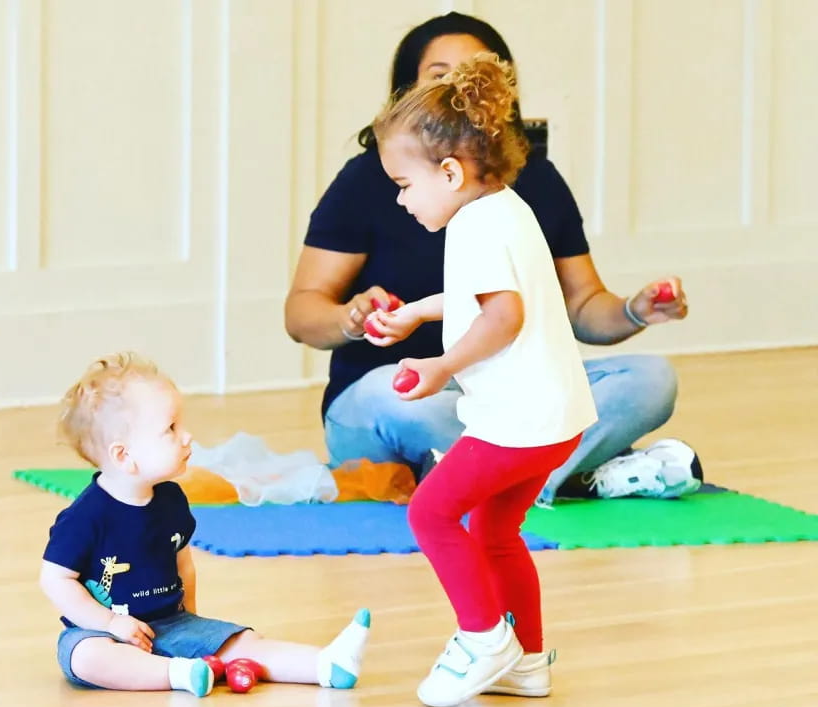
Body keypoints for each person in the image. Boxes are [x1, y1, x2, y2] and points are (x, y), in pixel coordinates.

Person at [284, 11, 703, 506]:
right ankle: (561, 474)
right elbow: (302, 314)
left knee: (650, 379)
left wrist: (636, 310)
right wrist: (351, 317)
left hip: (502, 395)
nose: (456, 92)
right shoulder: (367, 180)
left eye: (471, 78)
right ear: (409, 92)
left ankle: (500, 480)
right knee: (393, 397)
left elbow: (580, 306)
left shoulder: (534, 184)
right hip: (403, 396)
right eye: (440, 77)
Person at [368, 51, 596, 707]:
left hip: (518, 421)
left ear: (449, 171)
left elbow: (503, 314)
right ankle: (525, 660)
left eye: (404, 184)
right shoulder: (502, 208)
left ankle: (482, 636)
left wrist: (441, 366)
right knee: (495, 533)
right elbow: (480, 295)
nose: (401, 198)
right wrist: (414, 313)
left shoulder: (474, 225)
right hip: (552, 417)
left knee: (430, 510)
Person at [39, 352, 370, 696]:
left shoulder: (171, 500)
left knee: (243, 641)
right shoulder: (85, 517)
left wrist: (195, 626)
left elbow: (184, 566)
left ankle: (325, 664)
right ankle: (178, 674)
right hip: (105, 632)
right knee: (85, 656)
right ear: (124, 455)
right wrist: (110, 623)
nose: (187, 437)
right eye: (170, 429)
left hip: (171, 623)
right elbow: (55, 580)